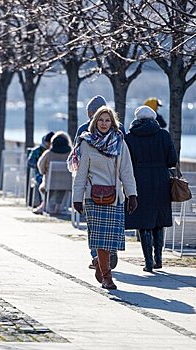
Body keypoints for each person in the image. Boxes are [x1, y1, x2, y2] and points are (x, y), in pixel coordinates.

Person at [69, 106, 138, 289]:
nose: (104, 123)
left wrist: (132, 195)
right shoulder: (86, 142)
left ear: (112, 123)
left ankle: (101, 269)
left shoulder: (120, 143)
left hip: (114, 196)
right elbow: (81, 172)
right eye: (101, 120)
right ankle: (107, 277)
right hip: (93, 197)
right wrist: (77, 198)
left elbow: (126, 171)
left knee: (111, 238)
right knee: (100, 238)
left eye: (107, 120)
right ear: (95, 122)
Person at [125, 105, 178, 272]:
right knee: (158, 221)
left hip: (139, 181)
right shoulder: (163, 135)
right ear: (154, 118)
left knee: (143, 222)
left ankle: (148, 262)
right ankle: (159, 259)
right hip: (161, 181)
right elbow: (172, 160)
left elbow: (126, 163)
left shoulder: (130, 137)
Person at [75, 95, 123, 269]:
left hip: (93, 186)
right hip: (112, 185)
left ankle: (97, 256)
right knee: (107, 224)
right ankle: (106, 255)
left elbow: (77, 158)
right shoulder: (120, 131)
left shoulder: (83, 130)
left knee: (94, 225)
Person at [34, 132, 72, 215]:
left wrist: (44, 172)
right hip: (67, 184)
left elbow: (40, 167)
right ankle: (59, 206)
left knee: (43, 187)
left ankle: (45, 205)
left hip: (50, 184)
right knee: (61, 189)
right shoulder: (71, 154)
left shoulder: (48, 154)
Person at [27, 131, 55, 207]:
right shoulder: (37, 150)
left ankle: (50, 203)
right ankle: (44, 202)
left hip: (52, 175)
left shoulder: (54, 151)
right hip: (40, 174)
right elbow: (30, 163)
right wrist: (39, 166)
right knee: (41, 181)